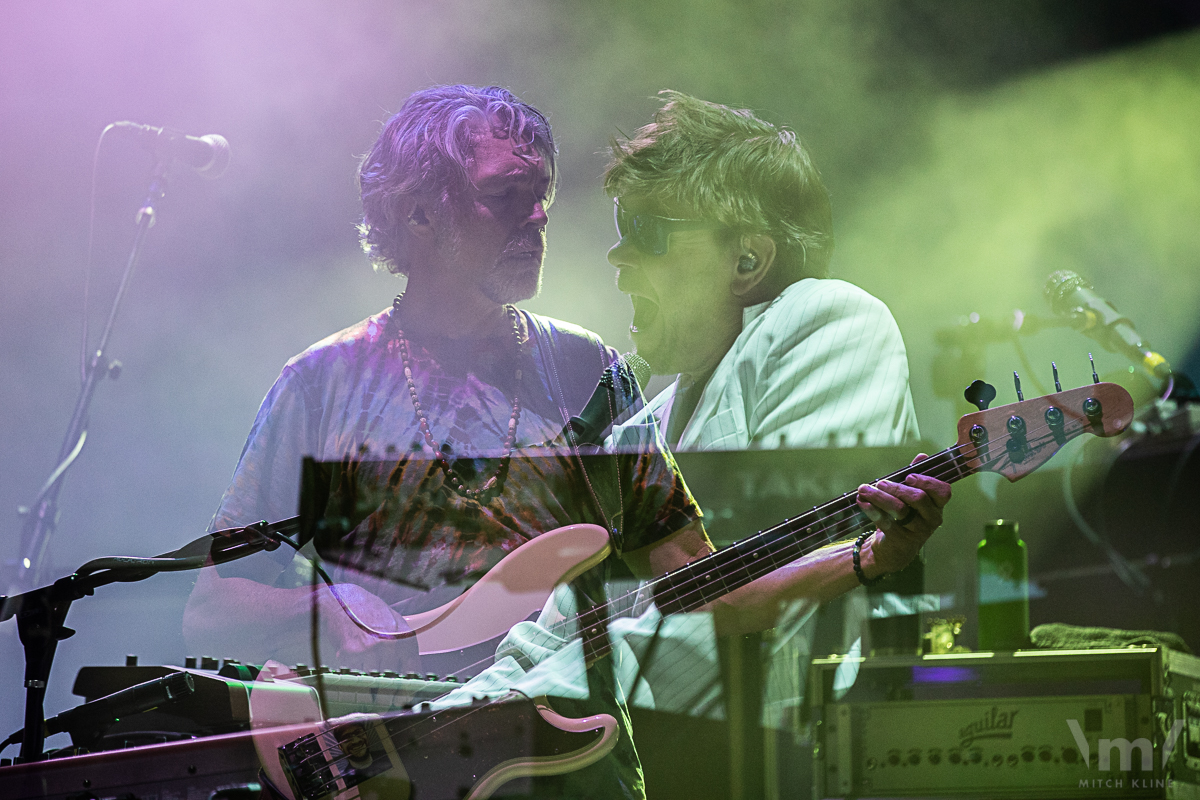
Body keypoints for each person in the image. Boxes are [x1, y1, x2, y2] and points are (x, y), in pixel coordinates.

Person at [184, 84, 949, 799]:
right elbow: (213, 608)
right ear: (419, 215)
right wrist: (323, 607)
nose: (540, 218)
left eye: (542, 196)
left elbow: (700, 593)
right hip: (387, 772)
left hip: (568, 772)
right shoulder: (322, 385)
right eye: (506, 197)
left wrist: (869, 559)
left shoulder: (590, 374)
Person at [603, 91, 934, 724]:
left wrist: (545, 700)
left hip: (786, 754)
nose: (618, 257)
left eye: (644, 231)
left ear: (748, 260)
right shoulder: (646, 423)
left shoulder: (824, 318)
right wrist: (432, 712)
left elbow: (797, 566)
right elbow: (566, 621)